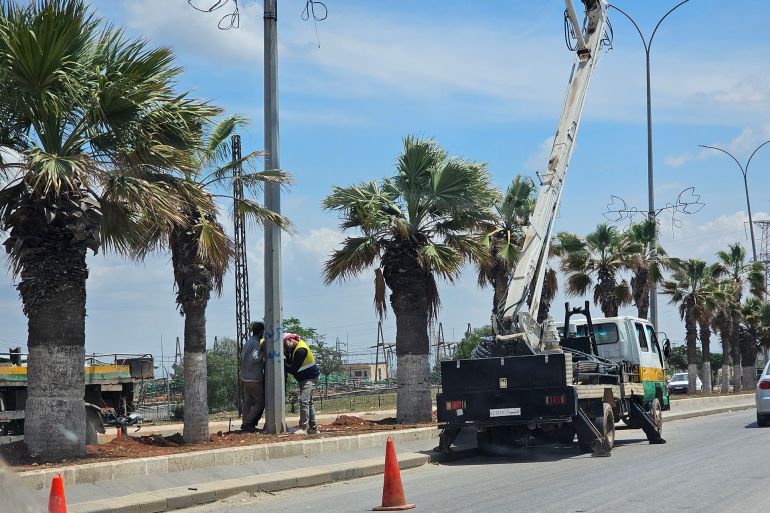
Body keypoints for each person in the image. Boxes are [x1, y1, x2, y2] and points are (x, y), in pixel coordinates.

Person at [283, 333, 320, 435]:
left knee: (304, 401)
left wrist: (282, 362)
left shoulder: (301, 350)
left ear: (290, 340)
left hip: (309, 378)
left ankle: (303, 427)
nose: (285, 347)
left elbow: (292, 369)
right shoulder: (294, 349)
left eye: (285, 344)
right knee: (309, 403)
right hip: (305, 378)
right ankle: (314, 428)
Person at [240, 321, 266, 432]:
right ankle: (248, 422)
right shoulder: (255, 343)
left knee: (248, 401)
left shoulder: (248, 342)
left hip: (245, 376)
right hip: (254, 378)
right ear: (261, 332)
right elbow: (254, 359)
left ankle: (244, 423)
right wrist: (264, 353)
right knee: (260, 403)